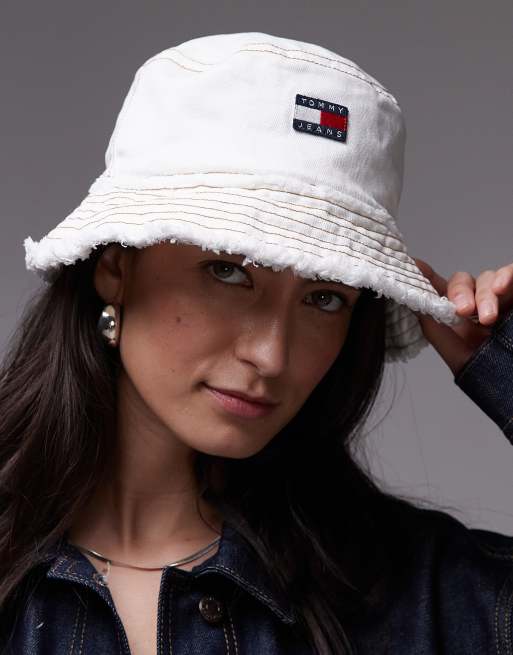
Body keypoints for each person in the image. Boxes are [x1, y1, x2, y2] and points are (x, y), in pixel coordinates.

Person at [0, 31, 511, 655]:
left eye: (325, 298)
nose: (271, 356)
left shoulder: (424, 597)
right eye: (227, 272)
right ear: (116, 266)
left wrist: (504, 371)